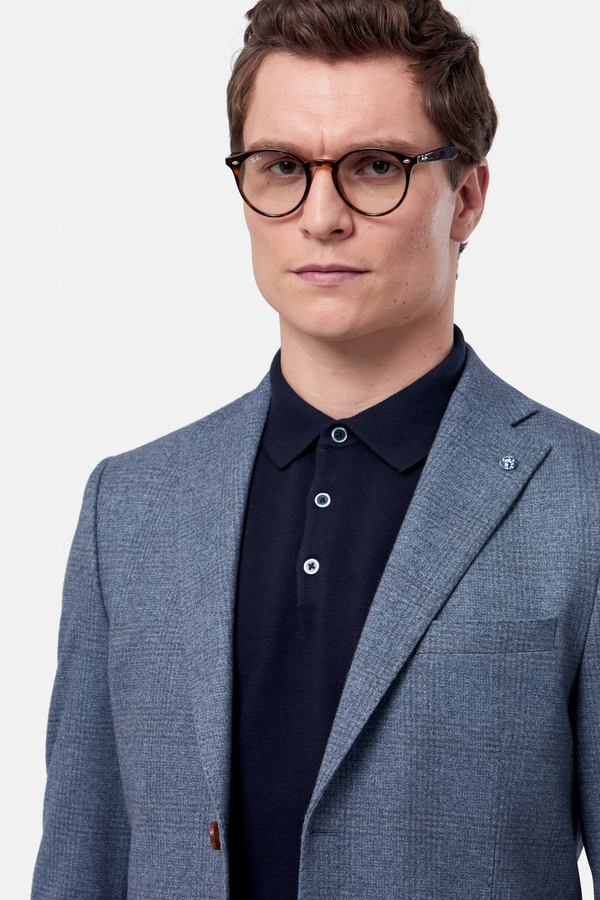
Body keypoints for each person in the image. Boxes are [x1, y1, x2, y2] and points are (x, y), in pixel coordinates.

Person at [31, 1, 600, 898]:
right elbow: (81, 863)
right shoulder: (129, 506)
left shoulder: (582, 503)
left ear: (467, 198)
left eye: (377, 167)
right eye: (283, 167)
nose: (322, 216)